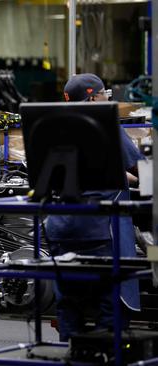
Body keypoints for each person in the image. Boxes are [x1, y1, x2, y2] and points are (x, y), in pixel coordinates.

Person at [47, 73, 143, 341]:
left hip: (60, 226)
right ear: (93, 97)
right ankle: (108, 351)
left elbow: (96, 170)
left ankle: (74, 353)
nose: (106, 99)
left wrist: (129, 177)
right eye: (104, 94)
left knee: (70, 297)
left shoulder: (53, 126)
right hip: (97, 226)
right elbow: (135, 166)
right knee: (110, 297)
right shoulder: (103, 123)